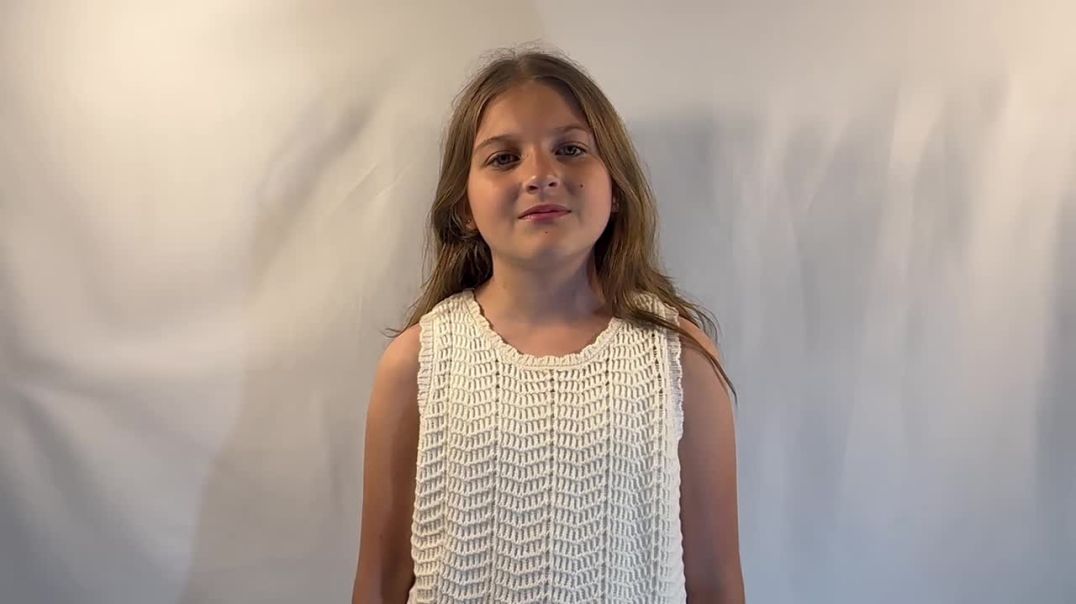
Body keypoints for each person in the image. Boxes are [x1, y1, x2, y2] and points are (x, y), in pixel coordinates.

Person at [353, 47, 743, 603]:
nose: (540, 175)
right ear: (463, 205)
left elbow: (715, 583)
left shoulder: (677, 361)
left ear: (615, 188)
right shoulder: (419, 364)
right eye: (503, 158)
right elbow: (381, 581)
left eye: (570, 149)